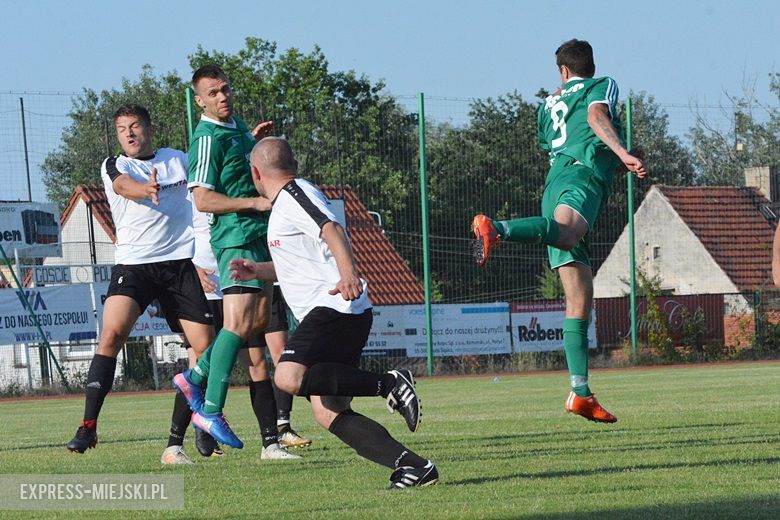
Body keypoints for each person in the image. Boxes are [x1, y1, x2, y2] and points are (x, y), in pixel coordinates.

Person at [226, 137, 438, 489]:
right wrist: (259, 270)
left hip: (334, 305)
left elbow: (332, 229)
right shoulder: (284, 204)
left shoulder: (294, 194)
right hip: (337, 307)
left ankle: (389, 382)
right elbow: (302, 264)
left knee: (287, 377)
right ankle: (413, 467)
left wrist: (349, 273)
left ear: (256, 173)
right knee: (329, 411)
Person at [472, 39, 647, 423]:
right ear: (585, 67)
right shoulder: (601, 85)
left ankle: (580, 393)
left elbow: (563, 142)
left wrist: (618, 162)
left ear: (562, 71)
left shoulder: (547, 107)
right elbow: (596, 118)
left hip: (554, 187)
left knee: (580, 297)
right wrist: (623, 153)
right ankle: (496, 228)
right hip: (578, 180)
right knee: (567, 234)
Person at [65, 104, 215, 465]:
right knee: (111, 335)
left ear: (149, 128)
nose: (129, 134)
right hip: (134, 267)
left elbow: (213, 164)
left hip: (179, 267)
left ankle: (190, 424)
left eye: (134, 126)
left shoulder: (178, 159)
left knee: (206, 349)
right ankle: (88, 425)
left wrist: (246, 146)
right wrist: (143, 189)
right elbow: (122, 186)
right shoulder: (115, 164)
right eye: (121, 129)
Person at [173, 64, 276, 449]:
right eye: (213, 93)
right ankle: (210, 408)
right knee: (237, 324)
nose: (222, 97)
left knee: (257, 322)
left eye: (225, 89)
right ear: (200, 100)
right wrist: (252, 201)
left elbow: (238, 169)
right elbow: (202, 199)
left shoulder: (236, 127)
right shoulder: (206, 137)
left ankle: (195, 376)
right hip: (234, 238)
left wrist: (252, 140)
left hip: (257, 236)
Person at [190, 198, 307, 459]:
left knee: (258, 362)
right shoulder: (197, 190)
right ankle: (178, 442)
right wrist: (193, 268)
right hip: (210, 286)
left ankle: (271, 442)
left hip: (246, 271)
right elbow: (173, 232)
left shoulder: (239, 186)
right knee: (201, 354)